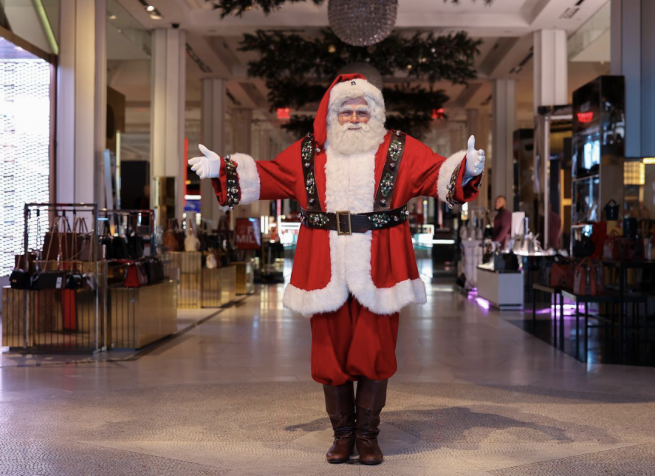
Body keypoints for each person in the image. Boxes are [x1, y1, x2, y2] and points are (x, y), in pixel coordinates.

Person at [189, 74, 484, 465]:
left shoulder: (399, 147)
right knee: (330, 354)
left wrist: (466, 168)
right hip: (324, 266)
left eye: (364, 111)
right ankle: (342, 436)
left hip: (380, 266)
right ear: (333, 114)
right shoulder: (309, 152)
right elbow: (270, 175)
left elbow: (435, 175)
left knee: (375, 351)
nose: (355, 118)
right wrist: (224, 169)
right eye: (346, 111)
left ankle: (367, 437)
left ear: (376, 114)